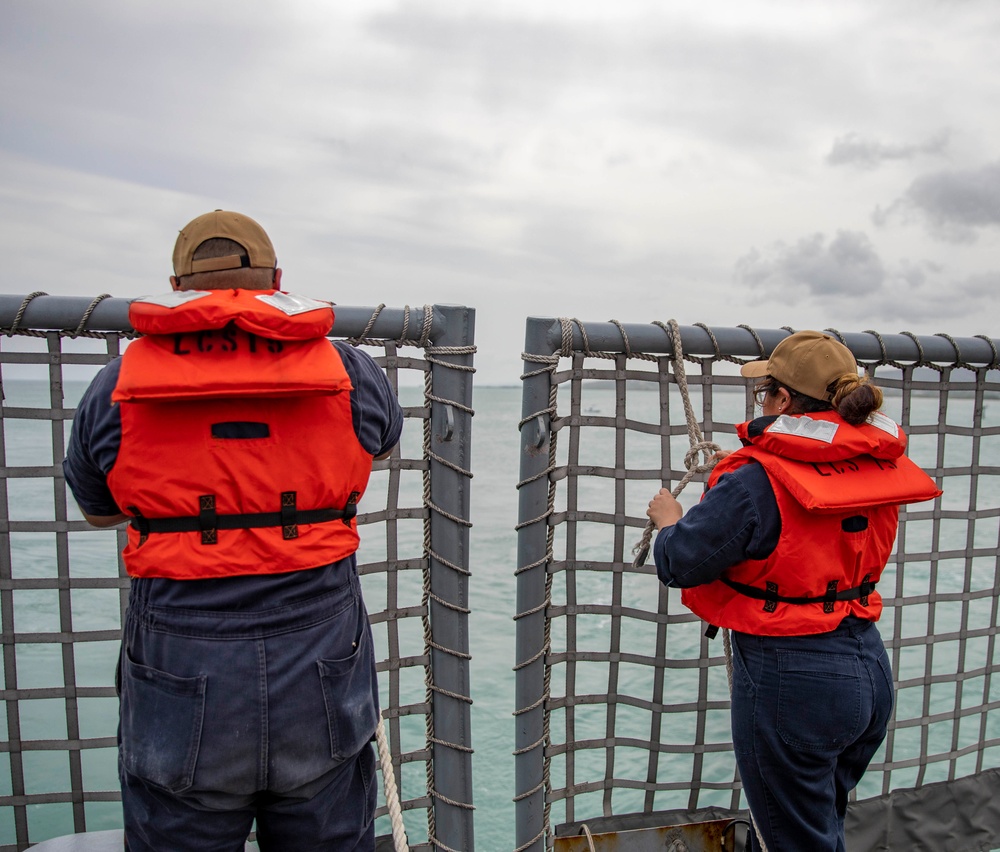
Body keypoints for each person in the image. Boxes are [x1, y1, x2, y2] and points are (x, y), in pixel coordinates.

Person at [63, 210, 404, 851]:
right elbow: (377, 445)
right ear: (277, 280)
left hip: (180, 665)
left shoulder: (117, 386)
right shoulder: (350, 372)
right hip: (321, 661)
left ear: (176, 285)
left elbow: (98, 508)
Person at [646, 330, 940, 852]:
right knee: (818, 825)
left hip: (794, 680)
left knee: (793, 841)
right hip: (868, 670)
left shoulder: (756, 480)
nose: (761, 402)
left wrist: (670, 522)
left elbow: (679, 560)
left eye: (765, 392)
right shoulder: (877, 461)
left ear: (782, 401)